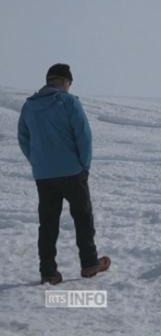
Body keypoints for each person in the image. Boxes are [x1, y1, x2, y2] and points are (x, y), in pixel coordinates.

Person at [18, 63, 110, 285]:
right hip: (72, 171)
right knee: (82, 216)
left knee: (48, 222)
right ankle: (89, 264)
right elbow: (83, 137)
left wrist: (39, 163)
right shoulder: (68, 102)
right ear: (65, 81)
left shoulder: (29, 106)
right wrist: (84, 166)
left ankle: (48, 272)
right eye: (69, 82)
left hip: (44, 175)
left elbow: (23, 138)